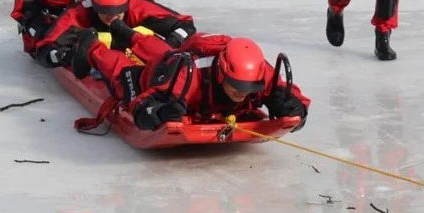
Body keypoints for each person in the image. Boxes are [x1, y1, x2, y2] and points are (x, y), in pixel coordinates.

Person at [70, 30, 310, 132]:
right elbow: (142, 106)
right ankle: (91, 47)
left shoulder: (259, 70)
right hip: (166, 72)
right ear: (221, 72)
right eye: (236, 86)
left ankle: (130, 35)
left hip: (185, 58)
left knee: (162, 51)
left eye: (249, 88)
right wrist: (159, 113)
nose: (242, 93)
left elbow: (296, 98)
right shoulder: (188, 77)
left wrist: (295, 108)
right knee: (129, 75)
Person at [32, 0, 196, 70]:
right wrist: (64, 56)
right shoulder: (78, 14)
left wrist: (169, 44)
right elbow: (44, 48)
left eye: (117, 12)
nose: (111, 17)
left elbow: (186, 26)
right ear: (94, 5)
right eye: (104, 11)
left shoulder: (138, 6)